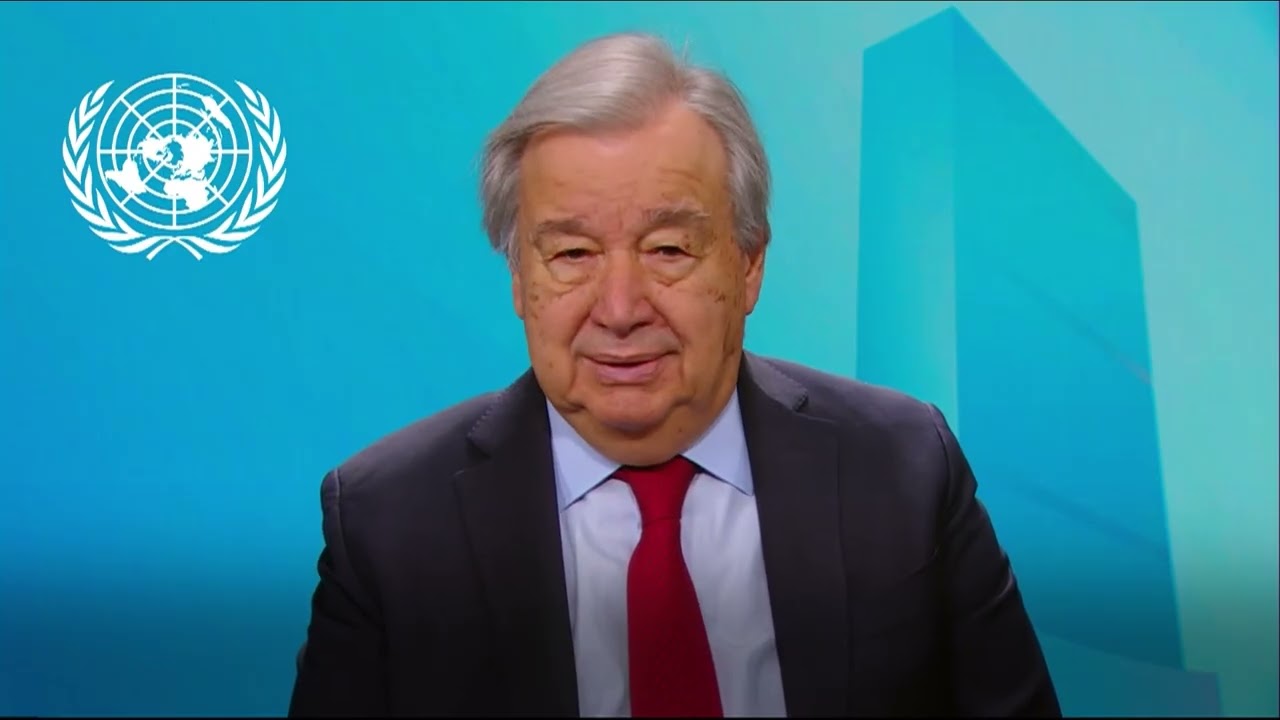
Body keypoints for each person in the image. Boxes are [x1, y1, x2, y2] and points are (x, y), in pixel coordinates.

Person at [288, 31, 1061, 718]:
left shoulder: (903, 466)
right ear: (519, 279)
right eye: (572, 254)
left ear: (749, 265)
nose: (620, 309)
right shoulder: (387, 523)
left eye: (668, 250)